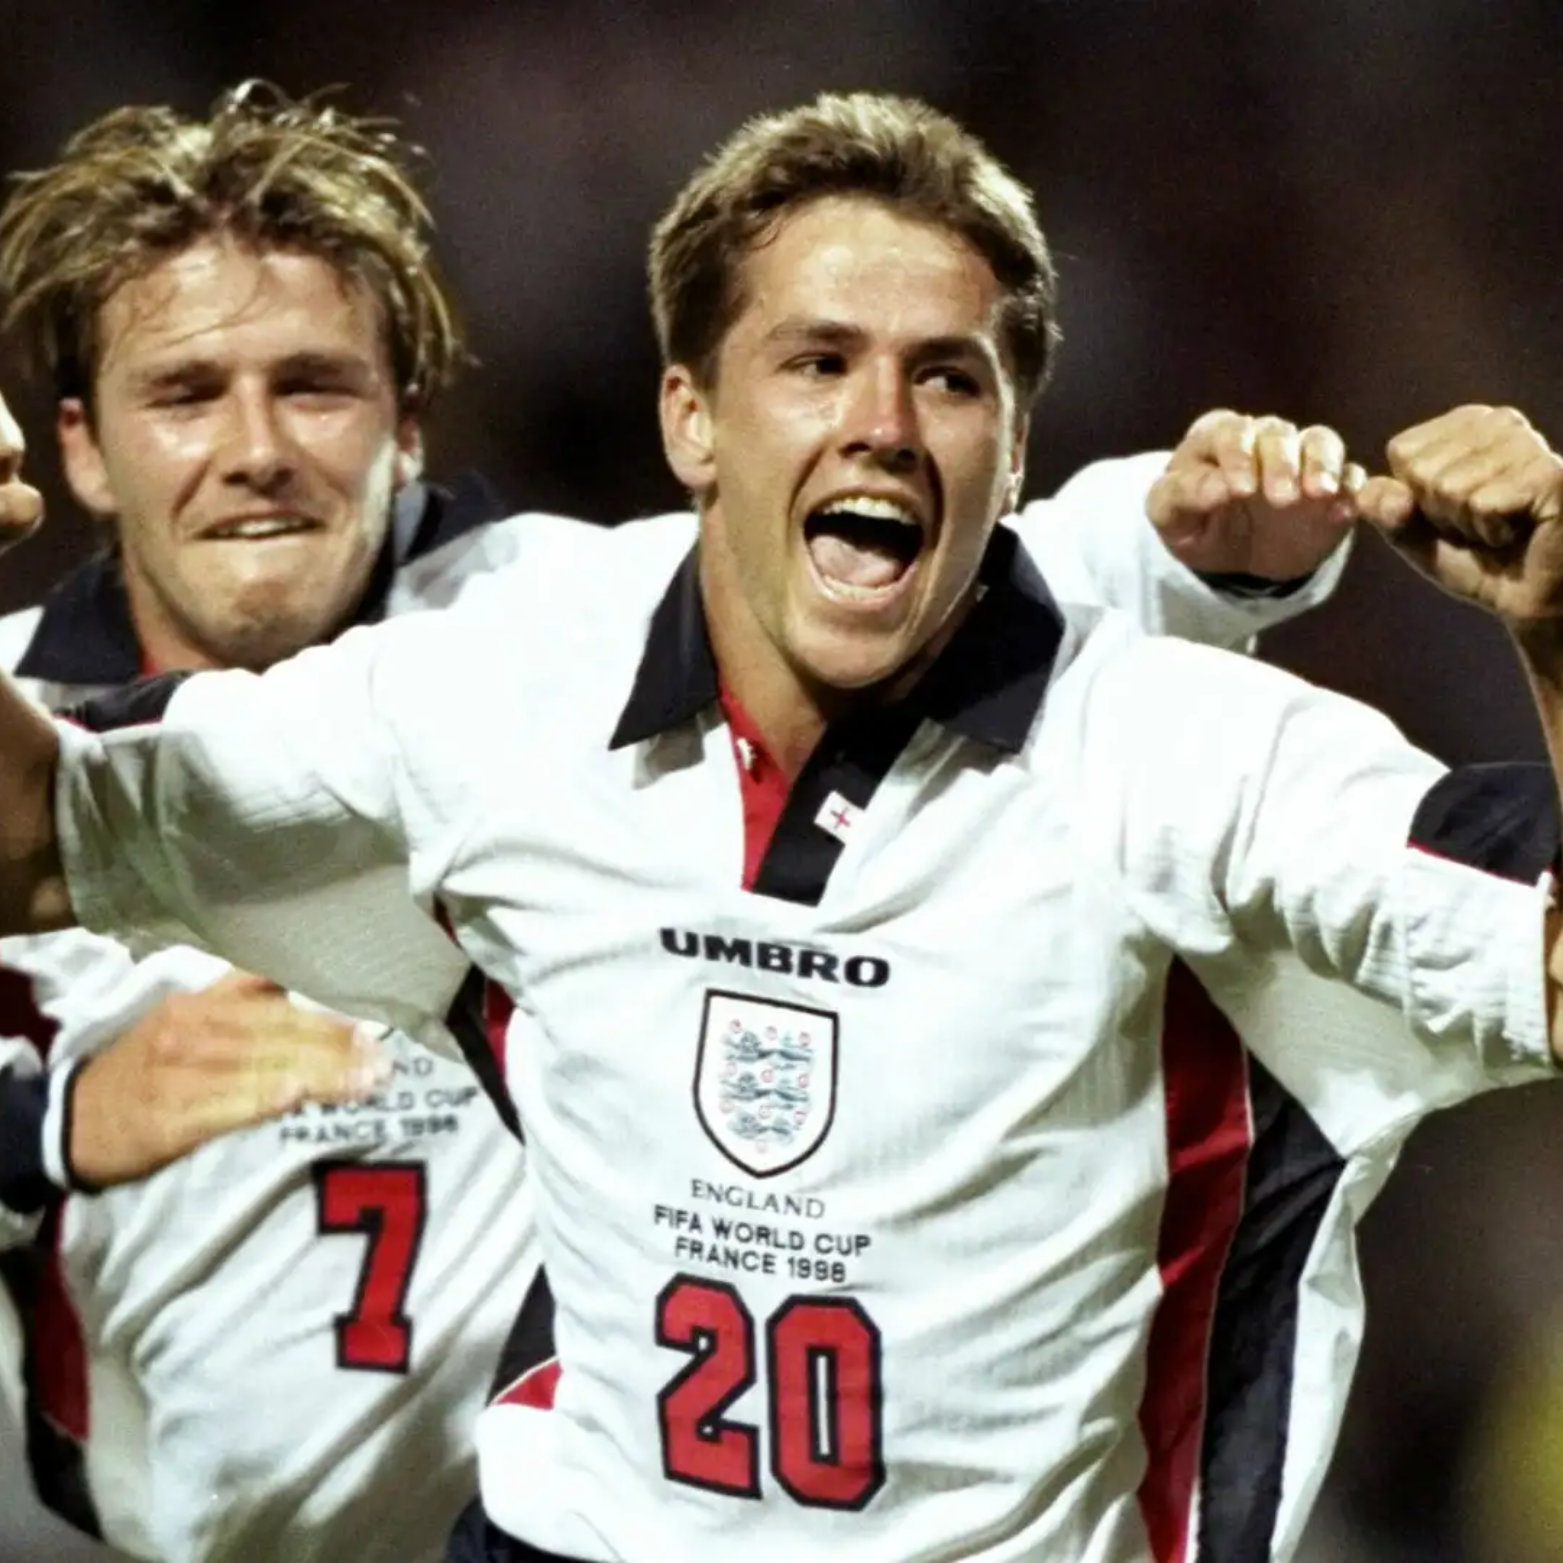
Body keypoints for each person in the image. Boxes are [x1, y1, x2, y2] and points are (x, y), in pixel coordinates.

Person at [0, 86, 1360, 1563]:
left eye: (316, 387)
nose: (257, 447)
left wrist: (1203, 536)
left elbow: (938, 557)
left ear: (405, 425)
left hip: (563, 1514)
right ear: (84, 447)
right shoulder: (22, 731)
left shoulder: (545, 636)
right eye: (185, 395)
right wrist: (43, 1125)